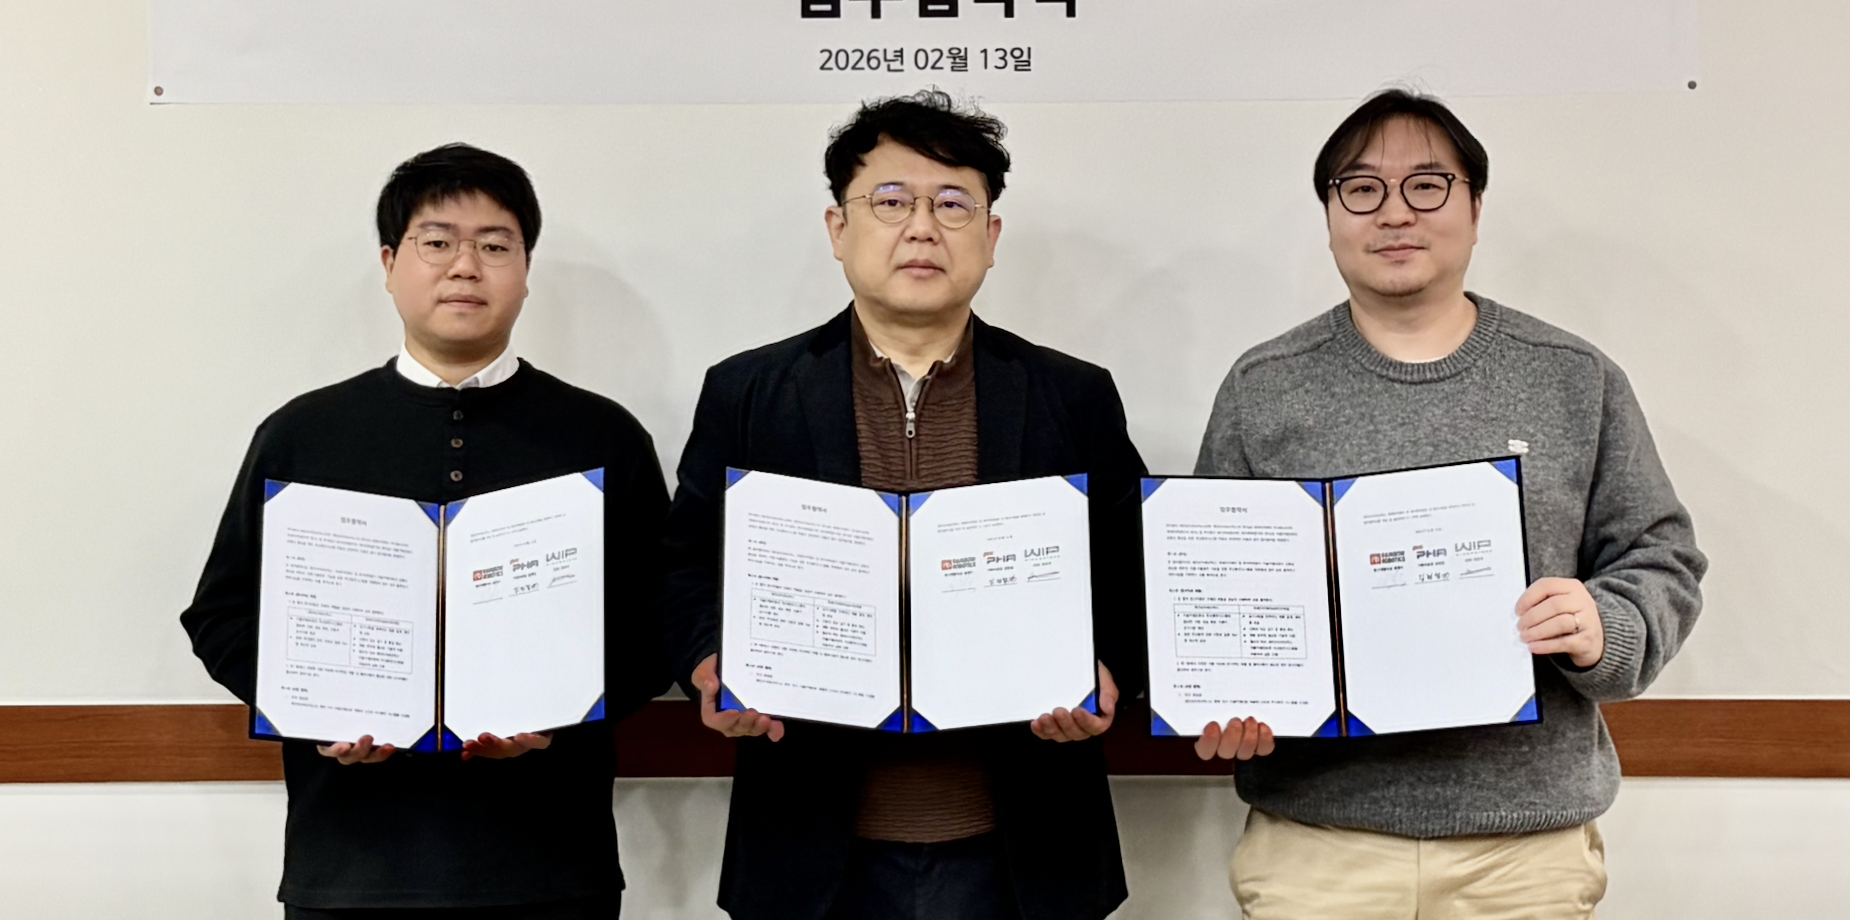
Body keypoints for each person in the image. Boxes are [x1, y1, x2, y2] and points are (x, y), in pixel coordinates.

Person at [1193, 89, 1706, 918]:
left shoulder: (1573, 378)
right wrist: (1227, 697)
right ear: (1330, 215)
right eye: (1362, 188)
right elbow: (1216, 587)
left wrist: (1604, 624)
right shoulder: (1264, 387)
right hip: (1316, 846)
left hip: (1525, 854)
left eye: (1427, 185)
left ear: (1475, 207)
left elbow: (1662, 558)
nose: (1395, 212)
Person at [659, 90, 1147, 920]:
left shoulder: (1071, 394)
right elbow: (683, 567)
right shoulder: (750, 391)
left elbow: (1130, 571)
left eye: (953, 204)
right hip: (812, 846)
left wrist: (1109, 672)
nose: (922, 227)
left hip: (1024, 845)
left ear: (991, 236)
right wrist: (710, 661)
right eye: (890, 201)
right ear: (837, 228)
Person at [180, 143, 669, 920]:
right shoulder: (304, 434)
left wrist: (565, 708)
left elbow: (657, 618)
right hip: (351, 865)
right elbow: (221, 615)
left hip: (550, 866)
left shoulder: (601, 435)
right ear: (389, 263)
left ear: (526, 270)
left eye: (495, 246)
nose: (465, 267)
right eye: (437, 242)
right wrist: (312, 708)